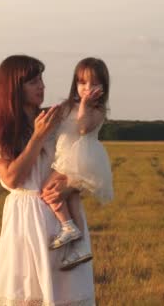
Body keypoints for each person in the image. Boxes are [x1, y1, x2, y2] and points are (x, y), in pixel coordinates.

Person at [0, 55, 95, 305]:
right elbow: (12, 178)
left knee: (67, 292)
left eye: (41, 79)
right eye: (33, 81)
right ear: (14, 87)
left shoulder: (57, 119)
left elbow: (80, 161)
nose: (41, 86)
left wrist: (70, 185)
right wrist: (37, 137)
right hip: (26, 217)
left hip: (62, 215)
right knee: (29, 292)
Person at [45, 58, 114, 268]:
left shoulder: (97, 110)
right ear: (75, 83)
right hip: (64, 155)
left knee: (47, 189)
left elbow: (83, 128)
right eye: (82, 83)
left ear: (103, 87)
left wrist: (84, 103)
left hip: (77, 158)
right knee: (72, 197)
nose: (87, 88)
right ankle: (81, 246)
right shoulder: (67, 107)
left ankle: (68, 226)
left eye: (93, 84)